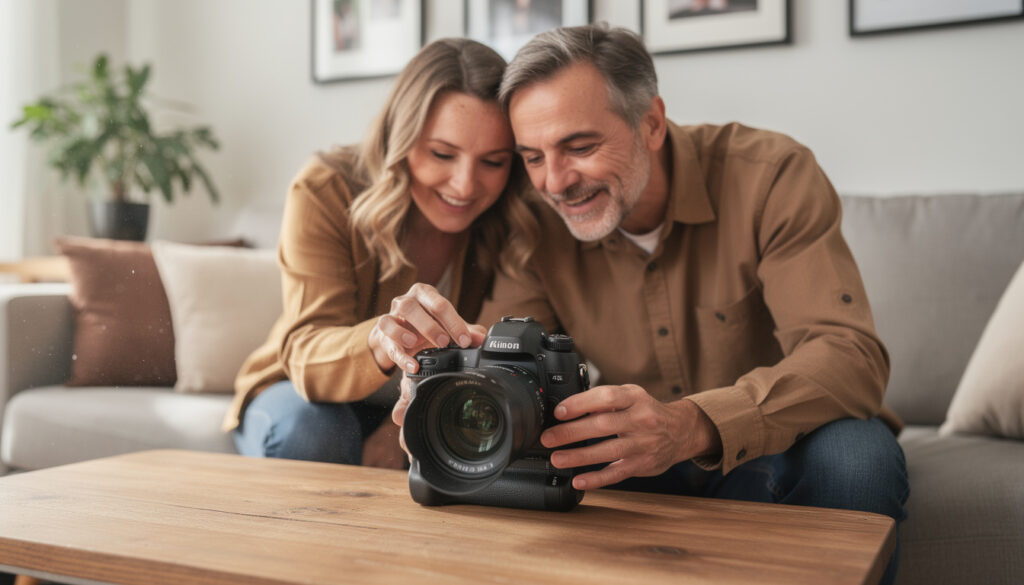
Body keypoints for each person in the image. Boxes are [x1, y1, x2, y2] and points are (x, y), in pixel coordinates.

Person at [388, 24, 909, 584]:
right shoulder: (532, 223)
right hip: (627, 464)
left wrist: (690, 425)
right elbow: (504, 357)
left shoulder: (770, 176)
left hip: (777, 448)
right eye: (532, 156)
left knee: (859, 456)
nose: (555, 182)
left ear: (652, 123)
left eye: (580, 147)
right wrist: (447, 394)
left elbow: (849, 353)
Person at [225, 38, 538, 468]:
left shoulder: (513, 215)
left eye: (493, 161)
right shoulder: (326, 188)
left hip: (430, 400)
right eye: (442, 154)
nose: (465, 185)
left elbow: (501, 356)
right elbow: (306, 351)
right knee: (313, 434)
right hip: (302, 394)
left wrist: (398, 433)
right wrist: (380, 339)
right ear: (400, 137)